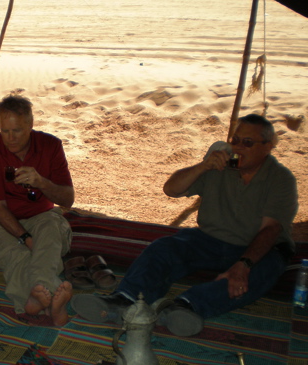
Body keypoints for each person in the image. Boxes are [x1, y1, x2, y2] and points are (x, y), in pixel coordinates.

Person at [72, 114, 298, 337]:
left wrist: (244, 264)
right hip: (210, 239)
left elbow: (271, 229)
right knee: (164, 248)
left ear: (267, 147)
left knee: (256, 276)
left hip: (257, 248)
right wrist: (202, 166)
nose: (238, 147)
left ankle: (185, 307)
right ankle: (125, 300)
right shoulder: (219, 166)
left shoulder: (280, 179)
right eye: (234, 140)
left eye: (247, 143)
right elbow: (171, 189)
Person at [0, 94, 75, 326]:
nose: (10, 138)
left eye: (17, 131)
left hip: (41, 216)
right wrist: (24, 237)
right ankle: (50, 304)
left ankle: (37, 300)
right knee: (18, 255)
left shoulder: (50, 146)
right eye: (4, 131)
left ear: (30, 125)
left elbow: (68, 200)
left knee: (50, 234)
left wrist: (42, 182)